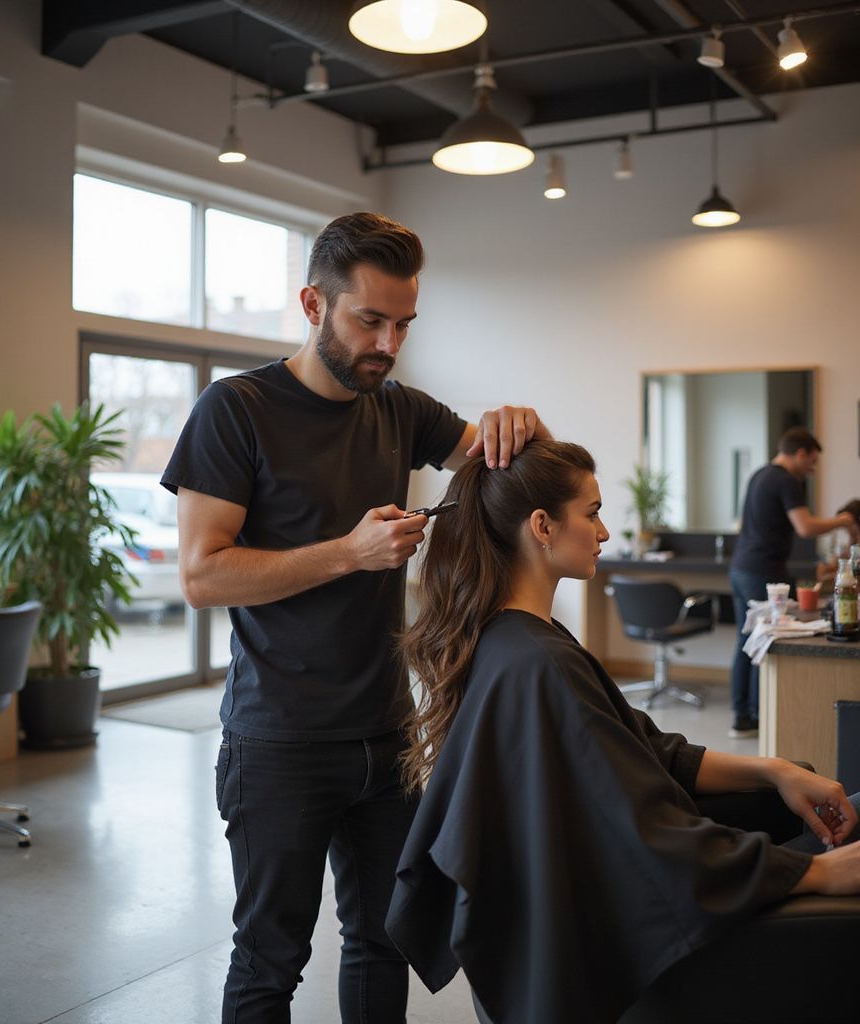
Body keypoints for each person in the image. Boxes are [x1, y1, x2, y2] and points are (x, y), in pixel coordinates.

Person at [161, 211, 544, 1023]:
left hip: (386, 734)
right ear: (313, 303)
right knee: (271, 960)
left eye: (403, 323)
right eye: (369, 320)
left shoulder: (400, 409)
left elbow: (497, 462)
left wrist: (520, 430)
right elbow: (201, 575)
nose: (388, 343)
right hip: (279, 741)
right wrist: (349, 553)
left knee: (383, 945)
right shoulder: (236, 411)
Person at [385, 439, 860, 1024]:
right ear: (542, 526)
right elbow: (651, 840)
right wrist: (813, 871)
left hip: (647, 899)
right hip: (661, 935)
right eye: (592, 513)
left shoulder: (512, 642)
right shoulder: (538, 663)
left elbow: (648, 749)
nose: (603, 532)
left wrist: (775, 769)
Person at [728, 428, 855, 738]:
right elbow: (805, 527)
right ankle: (760, 714)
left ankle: (742, 718)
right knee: (769, 640)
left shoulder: (759, 474)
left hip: (741, 567)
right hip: (763, 572)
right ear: (800, 454)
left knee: (747, 640)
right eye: (811, 462)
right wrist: (844, 520)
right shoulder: (787, 480)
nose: (811, 469)